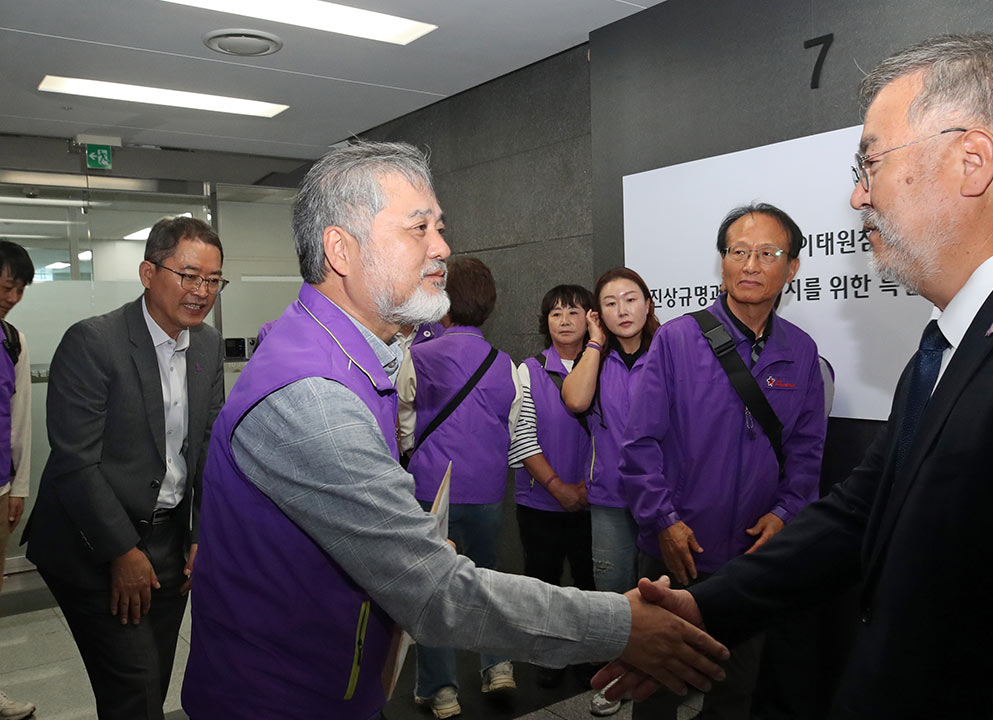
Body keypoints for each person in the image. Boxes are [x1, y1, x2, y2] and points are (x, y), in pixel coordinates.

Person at [598, 32, 993, 718]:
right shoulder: (954, 342)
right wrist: (702, 606)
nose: (856, 196)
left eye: (870, 162)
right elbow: (859, 513)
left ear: (972, 161)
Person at [181, 141, 727, 720]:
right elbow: (437, 592)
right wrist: (623, 626)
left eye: (439, 227)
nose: (442, 247)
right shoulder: (313, 394)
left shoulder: (354, 356)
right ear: (340, 248)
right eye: (418, 229)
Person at [618, 204, 827, 720]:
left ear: (792, 268)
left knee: (737, 691)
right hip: (678, 549)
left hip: (753, 557)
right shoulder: (676, 339)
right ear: (722, 262)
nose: (751, 265)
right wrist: (663, 521)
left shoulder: (801, 352)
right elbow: (639, 445)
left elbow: (806, 451)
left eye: (768, 253)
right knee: (658, 687)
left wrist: (787, 515)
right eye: (739, 252)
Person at [23, 217, 227, 720]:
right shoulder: (94, 342)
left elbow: (207, 447)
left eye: (213, 280)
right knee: (133, 688)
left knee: (153, 680)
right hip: (91, 542)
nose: (202, 292)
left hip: (168, 540)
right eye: (189, 275)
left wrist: (203, 534)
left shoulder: (205, 345)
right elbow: (75, 461)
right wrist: (121, 550)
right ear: (147, 272)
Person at [397, 256, 520, 717]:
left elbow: (404, 421)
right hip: (487, 487)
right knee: (486, 577)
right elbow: (509, 424)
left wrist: (415, 450)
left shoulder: (419, 356)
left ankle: (442, 689)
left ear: (443, 303)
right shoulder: (505, 363)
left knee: (433, 586)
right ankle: (498, 666)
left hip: (433, 486)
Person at [560, 267, 662, 716]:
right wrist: (596, 344)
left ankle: (660, 679)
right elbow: (575, 402)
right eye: (611, 303)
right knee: (613, 598)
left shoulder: (668, 351)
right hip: (609, 496)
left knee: (661, 591)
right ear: (598, 314)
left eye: (631, 299)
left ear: (647, 303)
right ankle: (618, 680)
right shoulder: (594, 357)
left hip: (662, 496)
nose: (623, 310)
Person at [510, 284, 596, 687]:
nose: (564, 320)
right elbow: (522, 436)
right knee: (542, 584)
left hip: (596, 502)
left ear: (590, 319)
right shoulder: (528, 369)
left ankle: (589, 655)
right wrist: (558, 487)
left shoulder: (603, 365)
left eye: (574, 312)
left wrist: (586, 491)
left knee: (589, 584)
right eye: (556, 313)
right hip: (540, 499)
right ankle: (548, 657)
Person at [0, 241, 35, 720]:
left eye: (20, 289)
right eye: (7, 284)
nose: (11, 296)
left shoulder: (13, 340)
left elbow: (20, 418)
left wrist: (20, 484)